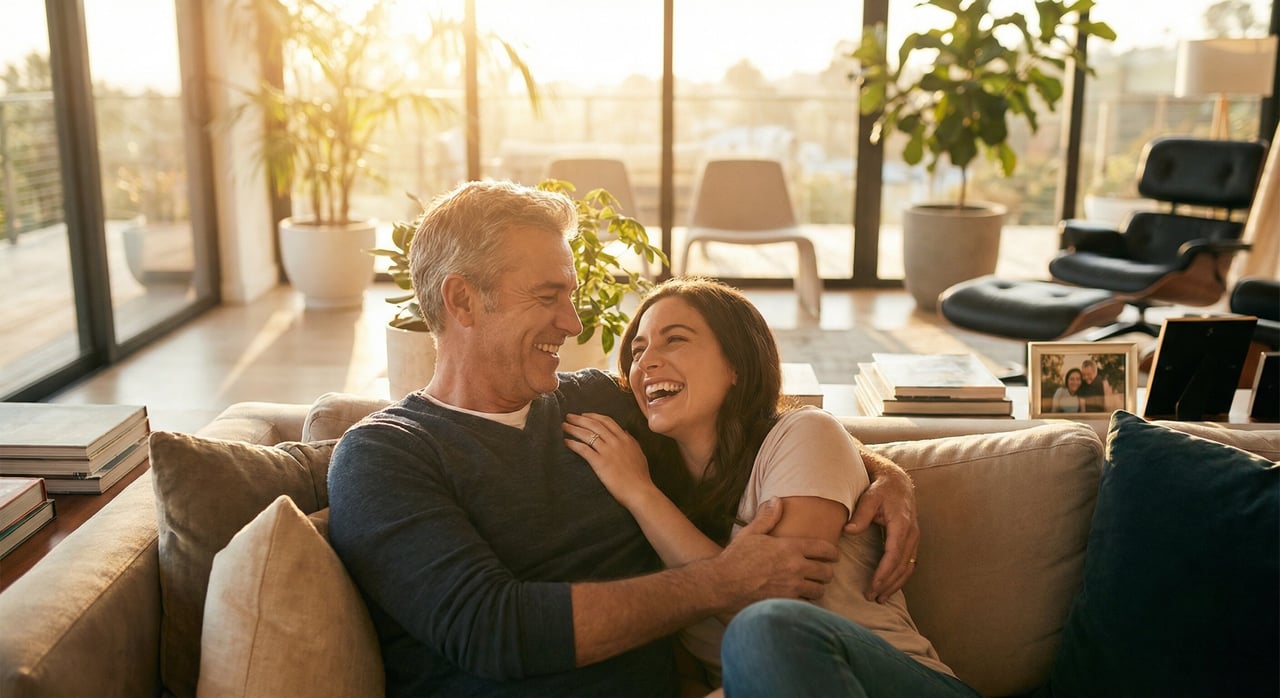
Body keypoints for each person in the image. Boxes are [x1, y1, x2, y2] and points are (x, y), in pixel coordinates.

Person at [326, 180, 919, 696]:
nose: (574, 323)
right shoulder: (384, 454)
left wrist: (879, 469)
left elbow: (734, 415)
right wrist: (721, 582)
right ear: (462, 300)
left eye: (571, 295)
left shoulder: (594, 402)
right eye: (548, 295)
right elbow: (492, 630)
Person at [563, 277, 976, 696]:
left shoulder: (801, 435)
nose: (647, 360)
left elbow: (772, 612)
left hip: (898, 685)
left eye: (675, 340)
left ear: (736, 366)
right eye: (638, 350)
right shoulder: (663, 494)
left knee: (767, 626)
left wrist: (639, 493)